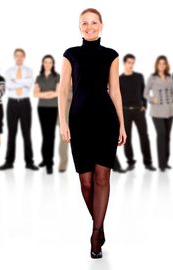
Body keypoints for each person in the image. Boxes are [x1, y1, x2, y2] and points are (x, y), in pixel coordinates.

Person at [58, 8, 127, 259]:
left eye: (93, 22)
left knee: (102, 179)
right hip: (78, 122)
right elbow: (63, 89)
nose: (89, 27)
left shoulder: (111, 55)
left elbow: (116, 91)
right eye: (84, 23)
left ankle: (95, 233)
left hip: (105, 121)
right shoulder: (70, 54)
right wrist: (63, 123)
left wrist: (122, 124)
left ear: (101, 25)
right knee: (86, 182)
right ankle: (100, 224)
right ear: (79, 27)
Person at [0, 48, 39, 171]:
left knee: (26, 133)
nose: (19, 58)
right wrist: (22, 82)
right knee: (11, 133)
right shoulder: (8, 71)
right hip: (12, 104)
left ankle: (29, 162)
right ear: (14, 57)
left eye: (21, 56)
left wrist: (15, 81)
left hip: (25, 103)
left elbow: (30, 83)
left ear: (24, 57)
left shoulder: (29, 70)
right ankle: (9, 162)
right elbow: (8, 86)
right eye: (17, 56)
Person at [120, 53, 155, 171]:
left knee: (144, 136)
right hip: (125, 111)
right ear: (124, 63)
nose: (131, 65)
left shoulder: (139, 76)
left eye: (132, 63)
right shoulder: (119, 79)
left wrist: (144, 106)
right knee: (126, 138)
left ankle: (148, 162)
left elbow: (144, 92)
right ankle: (130, 162)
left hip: (139, 111)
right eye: (129, 63)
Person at [144, 55, 173, 172]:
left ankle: (166, 162)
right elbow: (146, 93)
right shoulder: (152, 77)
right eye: (160, 63)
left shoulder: (169, 76)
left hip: (169, 110)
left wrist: (172, 99)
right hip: (157, 111)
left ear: (166, 65)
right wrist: (152, 99)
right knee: (161, 135)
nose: (162, 65)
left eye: (163, 63)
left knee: (167, 136)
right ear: (157, 65)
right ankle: (161, 164)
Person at [34, 55, 60, 174]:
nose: (48, 64)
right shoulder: (39, 77)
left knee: (51, 135)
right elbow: (35, 94)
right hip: (42, 108)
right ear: (43, 63)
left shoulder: (57, 76)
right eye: (46, 62)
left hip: (53, 108)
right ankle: (45, 159)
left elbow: (58, 93)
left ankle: (49, 163)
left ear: (53, 64)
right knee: (45, 135)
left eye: (50, 62)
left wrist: (44, 94)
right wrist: (50, 93)